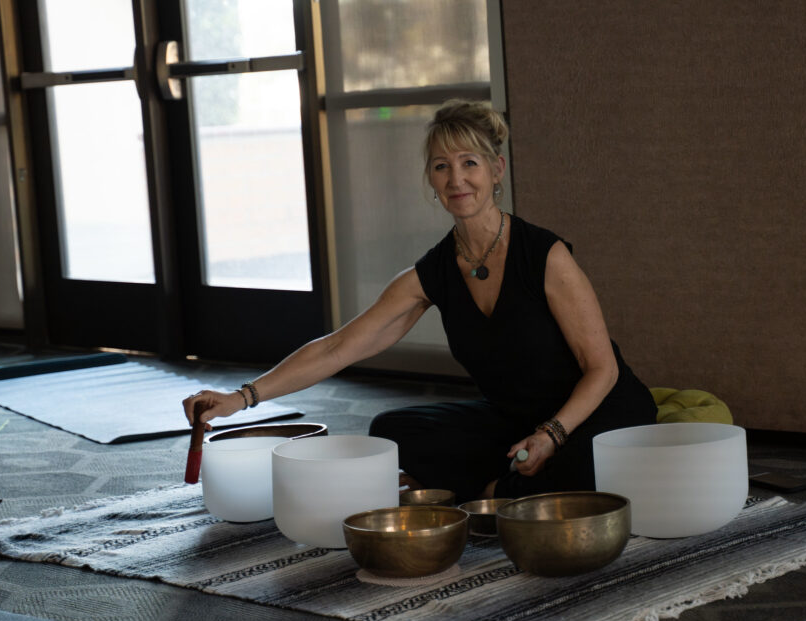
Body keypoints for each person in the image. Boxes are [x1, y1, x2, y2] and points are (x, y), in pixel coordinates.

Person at [183, 99, 656, 503]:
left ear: (496, 170)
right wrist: (240, 398)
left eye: (469, 163)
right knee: (394, 429)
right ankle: (509, 491)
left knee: (595, 463)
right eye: (441, 165)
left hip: (595, 413)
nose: (456, 179)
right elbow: (337, 347)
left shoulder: (545, 256)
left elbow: (602, 369)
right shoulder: (431, 274)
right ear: (430, 178)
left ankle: (493, 493)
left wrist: (552, 434)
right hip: (515, 421)